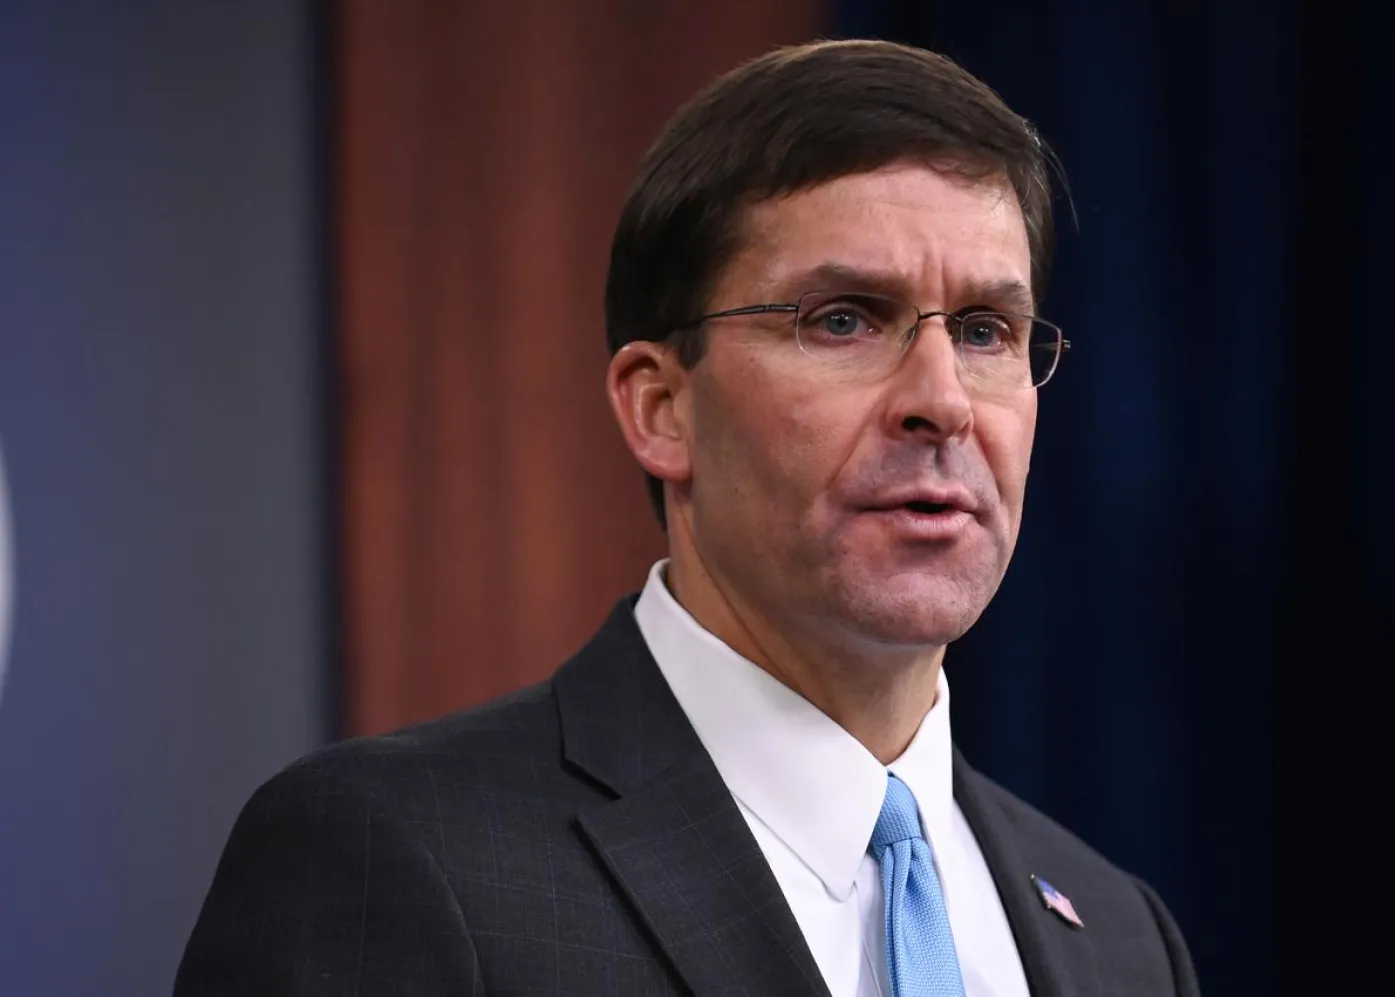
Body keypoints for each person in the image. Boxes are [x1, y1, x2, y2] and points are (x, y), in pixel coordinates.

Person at [176, 39, 1199, 996]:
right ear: (661, 408)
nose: (942, 399)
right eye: (842, 318)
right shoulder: (391, 859)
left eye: (986, 329)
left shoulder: (1119, 938)